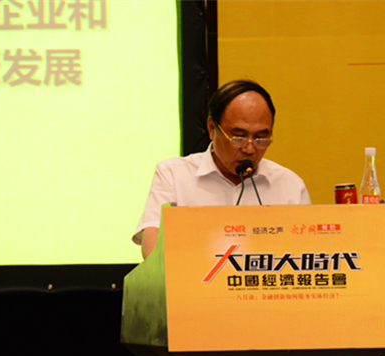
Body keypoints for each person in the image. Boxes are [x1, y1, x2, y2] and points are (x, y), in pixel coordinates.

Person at [133, 80, 311, 258]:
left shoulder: (290, 185)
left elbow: (308, 252)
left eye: (260, 138)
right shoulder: (173, 175)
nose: (250, 149)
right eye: (239, 137)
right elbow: (153, 249)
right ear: (212, 128)